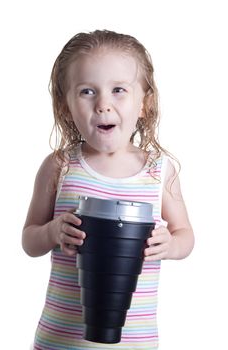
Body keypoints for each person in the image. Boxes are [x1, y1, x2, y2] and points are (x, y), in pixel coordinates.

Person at [22, 30, 194, 350]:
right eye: (87, 91)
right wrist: (52, 232)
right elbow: (29, 240)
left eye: (118, 90)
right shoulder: (60, 166)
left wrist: (170, 245)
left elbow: (186, 235)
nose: (103, 105)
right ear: (66, 105)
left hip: (135, 343)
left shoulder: (159, 171)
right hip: (60, 340)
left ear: (145, 103)